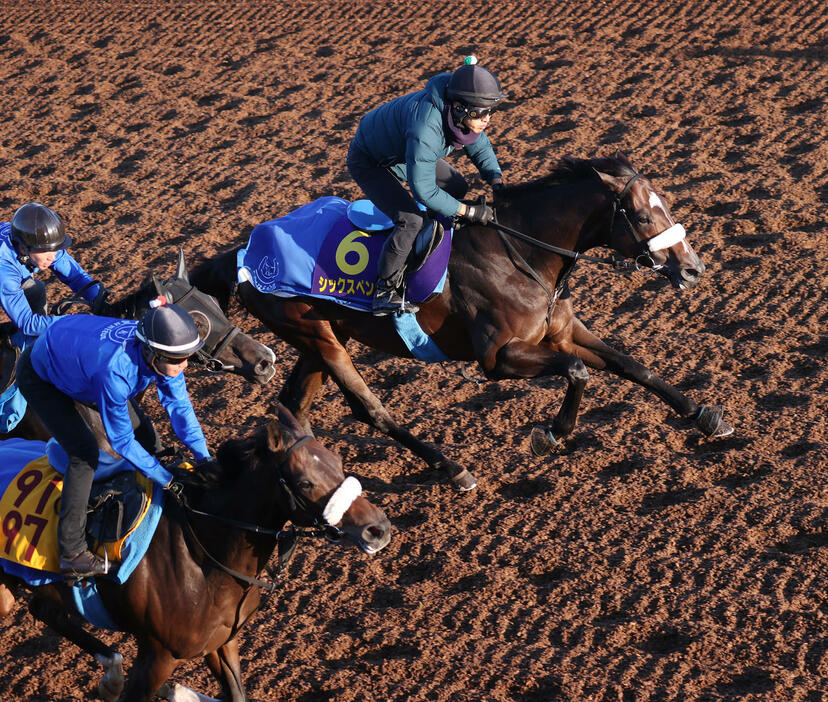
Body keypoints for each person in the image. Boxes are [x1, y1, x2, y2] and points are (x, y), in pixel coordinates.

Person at [15, 302, 212, 578]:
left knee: (145, 432)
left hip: (78, 361)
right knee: (84, 454)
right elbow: (121, 442)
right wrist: (166, 479)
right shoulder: (115, 372)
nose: (185, 365)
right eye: (178, 360)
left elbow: (180, 408)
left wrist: (205, 458)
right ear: (153, 355)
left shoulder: (160, 353)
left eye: (187, 357)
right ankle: (72, 552)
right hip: (42, 377)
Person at [347, 55, 507, 315]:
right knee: (410, 220)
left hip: (401, 151)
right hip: (370, 161)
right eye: (480, 112)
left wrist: (496, 179)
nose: (486, 118)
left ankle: (430, 239)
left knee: (456, 186)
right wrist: (467, 212)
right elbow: (423, 190)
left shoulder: (461, 112)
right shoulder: (426, 128)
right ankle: (385, 290)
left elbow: (478, 143)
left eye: (490, 111)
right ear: (458, 108)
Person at [0, 202, 105, 349]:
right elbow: (28, 324)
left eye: (55, 250)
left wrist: (102, 302)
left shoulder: (42, 244)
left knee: (35, 291)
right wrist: (75, 323)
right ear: (23, 249)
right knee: (29, 334)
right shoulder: (4, 269)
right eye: (46, 252)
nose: (53, 258)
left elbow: (76, 277)